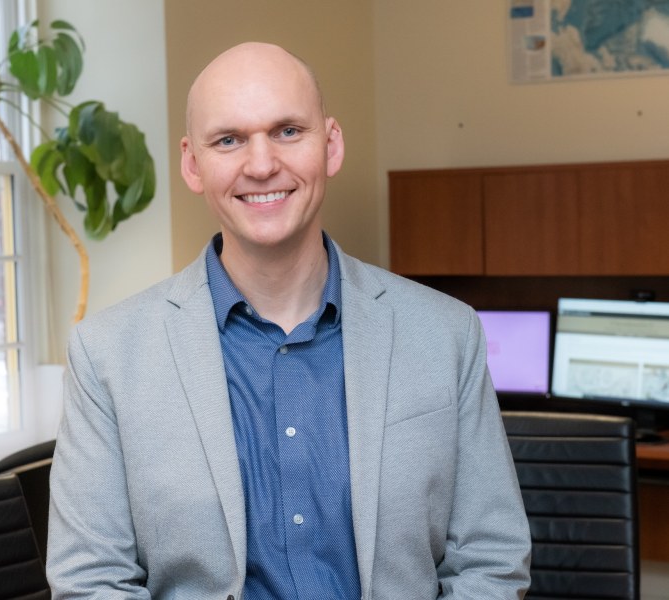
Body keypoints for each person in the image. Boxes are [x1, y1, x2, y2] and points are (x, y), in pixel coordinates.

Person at [47, 42, 531, 599]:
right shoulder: (106, 354)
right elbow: (91, 580)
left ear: (331, 145)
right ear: (192, 163)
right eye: (228, 140)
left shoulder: (446, 334)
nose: (260, 165)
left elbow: (491, 559)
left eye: (287, 132)